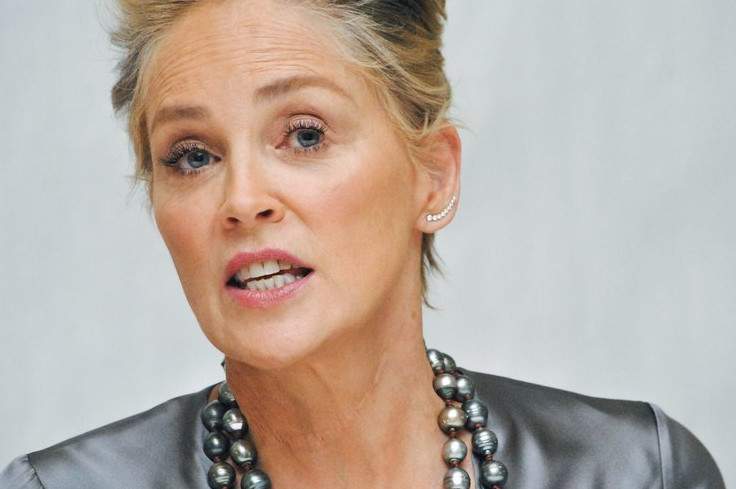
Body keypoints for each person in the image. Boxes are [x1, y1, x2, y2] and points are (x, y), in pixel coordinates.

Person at [0, 1, 726, 488]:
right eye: (193, 155)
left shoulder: (635, 471)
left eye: (304, 135)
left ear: (432, 175)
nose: (243, 199)